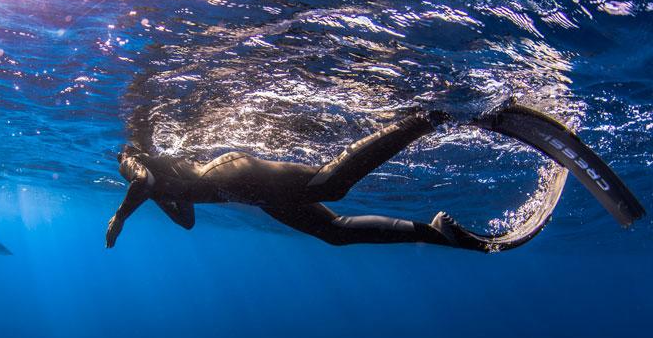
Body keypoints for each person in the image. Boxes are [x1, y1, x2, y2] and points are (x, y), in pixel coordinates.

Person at [105, 102, 645, 252]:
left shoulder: (135, 164)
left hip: (237, 172)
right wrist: (153, 200)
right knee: (333, 231)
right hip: (243, 190)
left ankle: (427, 116)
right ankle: (437, 233)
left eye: (132, 166)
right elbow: (189, 222)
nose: (130, 170)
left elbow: (140, 182)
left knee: (331, 186)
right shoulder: (159, 180)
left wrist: (120, 216)